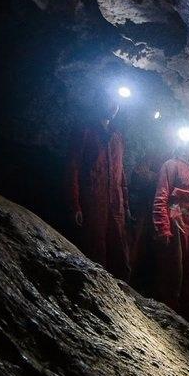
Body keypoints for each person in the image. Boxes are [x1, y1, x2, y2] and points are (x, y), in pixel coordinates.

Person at [65, 93, 131, 280]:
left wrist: (125, 205)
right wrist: (75, 205)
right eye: (110, 101)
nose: (113, 106)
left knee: (120, 251)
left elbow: (121, 172)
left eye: (116, 103)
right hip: (93, 201)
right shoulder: (85, 131)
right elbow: (73, 168)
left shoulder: (117, 137)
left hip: (115, 203)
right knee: (95, 249)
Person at [152, 130, 189, 323]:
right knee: (174, 271)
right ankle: (168, 319)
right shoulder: (170, 165)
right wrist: (163, 228)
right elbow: (161, 198)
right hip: (177, 219)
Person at [128, 151, 165, 296]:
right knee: (137, 249)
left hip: (162, 214)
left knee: (155, 255)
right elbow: (138, 177)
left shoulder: (171, 161)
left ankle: (149, 288)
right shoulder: (154, 156)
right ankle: (131, 284)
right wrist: (158, 179)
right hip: (145, 211)